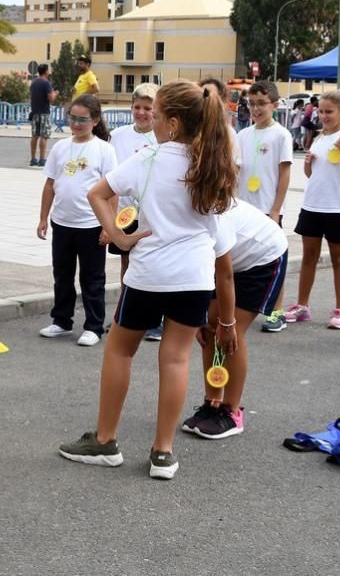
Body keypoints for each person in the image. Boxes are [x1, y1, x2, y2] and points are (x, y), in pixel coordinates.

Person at [58, 80, 237, 480]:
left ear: (172, 122)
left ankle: (105, 441)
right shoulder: (212, 163)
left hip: (148, 274)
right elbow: (219, 236)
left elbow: (97, 194)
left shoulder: (150, 157)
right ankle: (163, 452)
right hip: (194, 275)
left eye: (154, 115)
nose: (149, 121)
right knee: (175, 359)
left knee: (120, 351)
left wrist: (119, 237)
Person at [182, 199, 288, 439]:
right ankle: (213, 403)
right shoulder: (180, 214)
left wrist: (227, 323)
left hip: (263, 257)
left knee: (230, 332)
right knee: (208, 328)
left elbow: (225, 275)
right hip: (228, 262)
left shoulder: (214, 217)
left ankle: (231, 411)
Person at [284, 90, 340, 330]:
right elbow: (313, 175)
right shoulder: (320, 138)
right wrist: (308, 165)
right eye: (321, 111)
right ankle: (303, 305)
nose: (323, 116)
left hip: (339, 207)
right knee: (308, 257)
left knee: (339, 258)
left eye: (329, 111)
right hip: (312, 205)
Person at [37, 94, 117, 347]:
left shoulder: (104, 150)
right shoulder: (61, 147)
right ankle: (61, 321)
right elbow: (50, 184)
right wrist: (43, 218)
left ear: (95, 121)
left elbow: (112, 190)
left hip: (91, 225)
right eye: (72, 118)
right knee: (62, 274)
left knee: (92, 278)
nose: (76, 124)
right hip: (62, 223)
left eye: (82, 119)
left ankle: (94, 326)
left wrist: (109, 225)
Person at [236, 80, 293, 334]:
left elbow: (284, 173)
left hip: (267, 208)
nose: (256, 109)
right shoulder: (242, 135)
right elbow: (235, 170)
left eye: (262, 104)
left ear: (274, 105)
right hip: (244, 207)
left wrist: (276, 209)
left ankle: (276, 310)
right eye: (252, 104)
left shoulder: (281, 135)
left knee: (273, 256)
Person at [108, 83, 160, 341]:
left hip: (151, 210)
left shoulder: (161, 136)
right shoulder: (118, 135)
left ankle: (155, 318)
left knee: (151, 261)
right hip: (124, 211)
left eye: (148, 108)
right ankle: (125, 312)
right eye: (137, 107)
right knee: (126, 261)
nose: (141, 113)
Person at [28, 63, 57, 166]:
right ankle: (42, 159)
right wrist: (55, 94)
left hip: (35, 112)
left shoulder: (33, 83)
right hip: (44, 112)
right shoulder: (46, 83)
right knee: (43, 136)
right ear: (46, 71)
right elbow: (51, 98)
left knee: (34, 136)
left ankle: (32, 159)